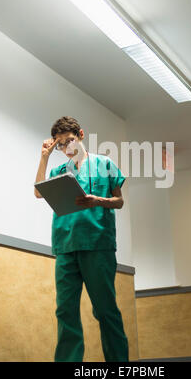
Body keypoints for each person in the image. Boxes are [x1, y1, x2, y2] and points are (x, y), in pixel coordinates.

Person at [34, 116, 129, 362]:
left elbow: (119, 201)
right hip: (65, 247)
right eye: (61, 145)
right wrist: (44, 156)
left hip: (98, 244)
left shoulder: (105, 164)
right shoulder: (58, 171)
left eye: (70, 141)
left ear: (82, 135)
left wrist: (97, 200)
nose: (67, 148)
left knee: (105, 311)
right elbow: (37, 191)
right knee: (65, 311)